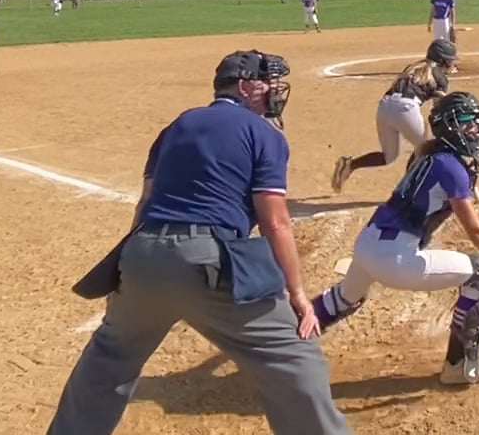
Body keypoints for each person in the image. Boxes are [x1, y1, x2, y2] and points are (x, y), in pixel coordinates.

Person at [47, 50, 348, 434]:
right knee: (295, 359)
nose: (275, 89)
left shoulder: (176, 126)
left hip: (142, 254)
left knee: (107, 358)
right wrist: (298, 295)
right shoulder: (263, 134)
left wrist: (128, 276)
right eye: (267, 82)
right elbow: (275, 223)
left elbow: (144, 205)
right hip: (207, 261)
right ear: (245, 87)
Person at [311, 91, 479, 386]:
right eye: (467, 121)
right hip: (395, 258)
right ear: (449, 127)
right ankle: (461, 367)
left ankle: (283, 337)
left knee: (343, 297)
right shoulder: (452, 167)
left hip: (367, 244)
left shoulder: (427, 155)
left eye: (477, 121)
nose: (476, 128)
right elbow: (476, 232)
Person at [330, 39, 459, 194]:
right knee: (425, 150)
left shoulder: (413, 67)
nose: (451, 64)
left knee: (388, 156)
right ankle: (407, 190)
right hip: (406, 108)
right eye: (450, 60)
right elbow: (438, 108)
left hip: (384, 107)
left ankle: (350, 164)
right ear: (442, 60)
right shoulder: (441, 77)